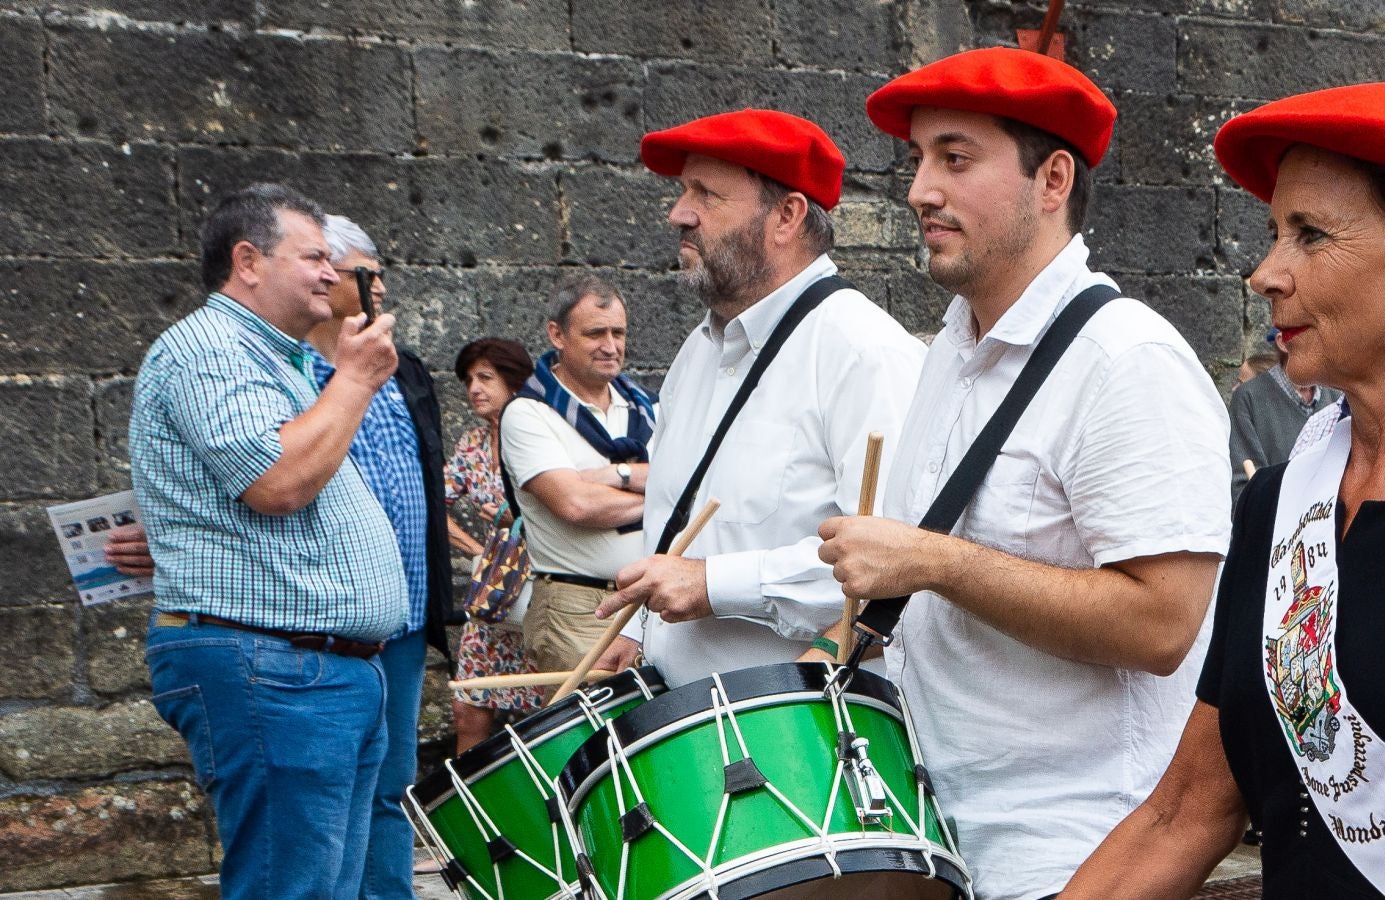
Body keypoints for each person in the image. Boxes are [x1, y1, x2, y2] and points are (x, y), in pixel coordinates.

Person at [809, 49, 1233, 900]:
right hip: (944, 838)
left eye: (954, 158)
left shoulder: (1128, 360)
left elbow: (1162, 624)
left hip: (1074, 854)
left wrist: (934, 563)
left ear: (1052, 180)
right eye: (918, 160)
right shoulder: (949, 354)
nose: (919, 189)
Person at [1063, 81, 1385, 900]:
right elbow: (1188, 809)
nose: (1263, 273)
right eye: (1273, 234)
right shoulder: (1283, 506)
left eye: (1308, 235)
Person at [129, 184, 406, 899]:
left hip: (311, 669)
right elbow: (279, 481)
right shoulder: (208, 348)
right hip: (272, 667)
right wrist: (353, 381)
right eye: (314, 256)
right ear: (248, 260)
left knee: (324, 889)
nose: (330, 272)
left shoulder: (274, 358)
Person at [593, 109, 926, 687]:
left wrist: (711, 584)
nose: (679, 213)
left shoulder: (866, 352)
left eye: (707, 194)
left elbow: (901, 566)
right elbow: (676, 525)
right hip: (682, 725)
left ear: (787, 216)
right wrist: (637, 631)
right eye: (682, 191)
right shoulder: (696, 352)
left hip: (794, 739)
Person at [302, 214, 456, 899]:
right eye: (368, 272)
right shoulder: (292, 374)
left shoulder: (406, 370)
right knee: (328, 793)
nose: (381, 286)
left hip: (403, 615)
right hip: (329, 622)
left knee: (390, 787)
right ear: (327, 275)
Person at [499, 275, 656, 675]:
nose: (611, 346)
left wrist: (615, 474)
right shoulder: (528, 413)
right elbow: (576, 504)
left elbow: (689, 485)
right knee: (591, 734)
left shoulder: (646, 408)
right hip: (580, 610)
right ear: (557, 334)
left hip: (652, 603)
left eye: (618, 332)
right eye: (595, 333)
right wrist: (658, 492)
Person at [443, 337, 544, 751]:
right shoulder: (472, 444)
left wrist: (516, 518)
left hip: (544, 593)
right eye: (469, 380)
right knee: (469, 707)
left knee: (553, 709)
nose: (474, 389)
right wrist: (475, 550)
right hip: (495, 595)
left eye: (486, 377)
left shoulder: (544, 432)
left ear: (514, 382)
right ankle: (467, 810)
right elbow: (434, 504)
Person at [1230, 328, 1340, 501]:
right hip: (1272, 522)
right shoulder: (1248, 398)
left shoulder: (1336, 398)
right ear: (1283, 342)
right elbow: (1244, 484)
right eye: (1312, 336)